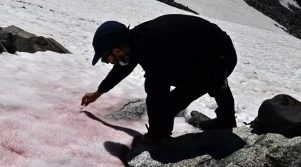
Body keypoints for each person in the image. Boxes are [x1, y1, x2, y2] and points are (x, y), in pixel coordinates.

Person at [81, 14, 238, 143]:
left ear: (116, 49)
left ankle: (224, 118)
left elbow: (156, 90)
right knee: (177, 78)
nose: (108, 62)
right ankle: (225, 114)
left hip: (221, 56)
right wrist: (98, 92)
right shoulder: (135, 40)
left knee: (168, 101)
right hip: (212, 52)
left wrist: (155, 134)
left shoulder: (149, 47)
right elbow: (122, 70)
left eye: (105, 57)